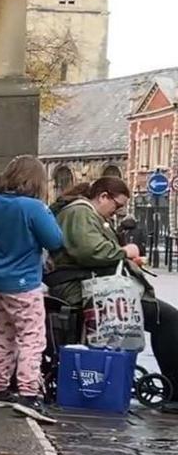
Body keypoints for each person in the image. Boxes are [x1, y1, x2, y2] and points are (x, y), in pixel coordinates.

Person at [47, 176, 178, 414]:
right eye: (116, 206)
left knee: (165, 316)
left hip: (89, 285)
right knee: (167, 318)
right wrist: (124, 251)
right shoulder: (80, 212)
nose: (115, 213)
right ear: (103, 196)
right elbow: (90, 251)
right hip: (82, 288)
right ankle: (175, 392)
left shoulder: (85, 213)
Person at [0, 156, 63, 422]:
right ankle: (28, 394)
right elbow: (54, 239)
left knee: (3, 334)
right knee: (32, 338)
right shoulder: (34, 207)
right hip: (24, 282)